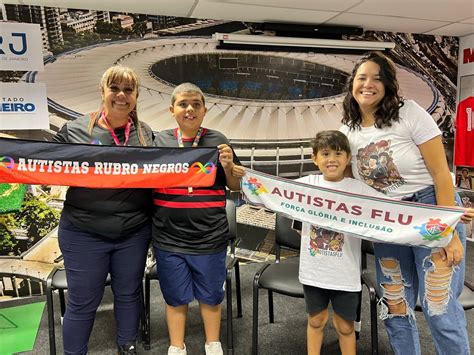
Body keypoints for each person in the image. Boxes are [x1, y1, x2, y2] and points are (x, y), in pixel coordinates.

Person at [339, 51, 474, 355]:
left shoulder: (410, 113)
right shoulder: (347, 130)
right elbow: (346, 184)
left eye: (377, 78)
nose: (368, 84)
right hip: (390, 219)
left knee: (438, 307)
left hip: (428, 208)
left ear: (388, 85)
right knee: (395, 304)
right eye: (362, 78)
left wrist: (450, 231)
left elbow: (441, 174)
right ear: (352, 85)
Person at [53, 65, 154, 355]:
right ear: (102, 92)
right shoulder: (74, 130)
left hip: (132, 233)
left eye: (128, 90)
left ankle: (127, 345)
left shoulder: (145, 133)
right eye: (114, 88)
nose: (121, 95)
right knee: (83, 300)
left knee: (128, 293)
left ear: (135, 96)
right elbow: (41, 160)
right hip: (83, 233)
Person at [152, 83, 243, 355]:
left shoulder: (219, 141)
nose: (189, 109)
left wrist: (228, 168)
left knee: (210, 297)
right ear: (172, 110)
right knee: (175, 298)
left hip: (209, 236)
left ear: (204, 109)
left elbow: (235, 188)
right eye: (183, 104)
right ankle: (176, 346)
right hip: (168, 237)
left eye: (195, 104)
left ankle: (212, 344)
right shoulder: (160, 142)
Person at [294, 130, 387, 355]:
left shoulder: (360, 191)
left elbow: (393, 212)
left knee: (345, 326)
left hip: (345, 273)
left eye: (338, 153)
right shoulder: (304, 186)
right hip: (314, 271)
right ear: (314, 158)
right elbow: (271, 194)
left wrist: (443, 216)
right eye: (325, 153)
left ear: (348, 158)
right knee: (316, 321)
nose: (332, 159)